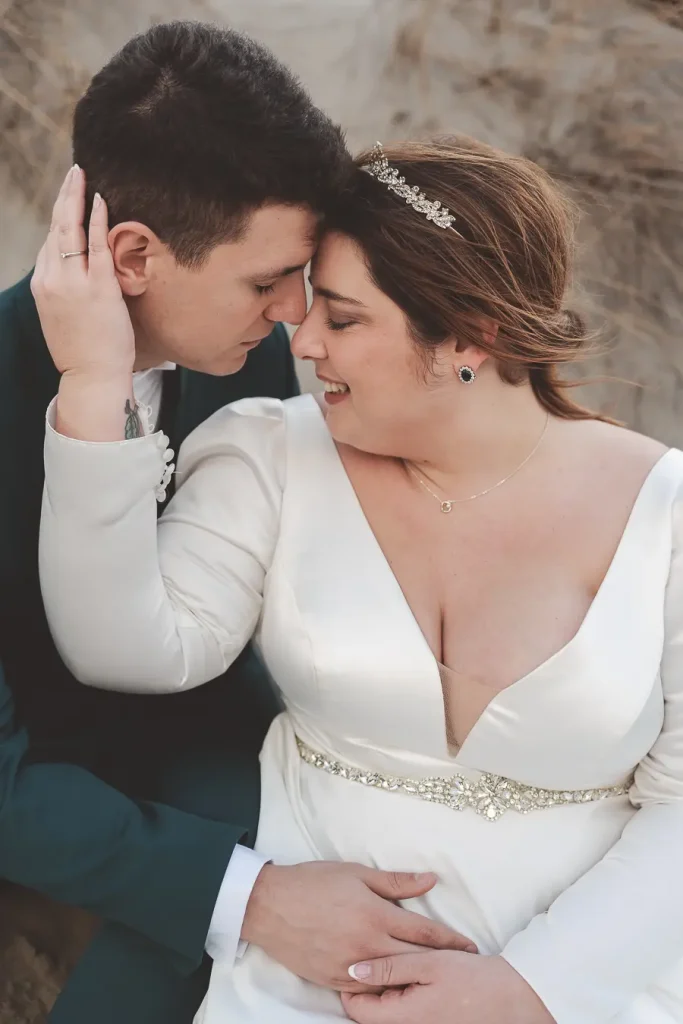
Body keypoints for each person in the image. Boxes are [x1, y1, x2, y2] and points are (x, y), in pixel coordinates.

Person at [35, 132, 683, 1024]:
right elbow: (127, 649)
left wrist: (528, 989)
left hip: (588, 986)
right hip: (307, 980)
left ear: (471, 334)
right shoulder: (271, 450)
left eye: (342, 319)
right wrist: (92, 383)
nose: (301, 343)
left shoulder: (668, 514)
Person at [0, 22, 471, 1024]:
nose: (297, 318)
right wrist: (247, 896)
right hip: (35, 787)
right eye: (266, 283)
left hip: (214, 754)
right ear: (132, 254)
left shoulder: (243, 349)